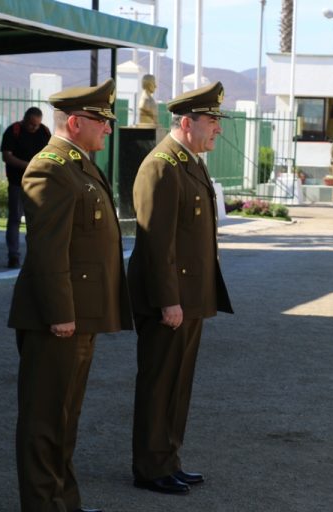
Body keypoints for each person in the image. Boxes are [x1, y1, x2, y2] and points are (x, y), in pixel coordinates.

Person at [8, 78, 132, 512]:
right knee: (45, 419)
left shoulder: (76, 163)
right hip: (57, 318)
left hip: (79, 316)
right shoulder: (51, 167)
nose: (109, 130)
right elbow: (48, 249)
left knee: (66, 416)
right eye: (103, 121)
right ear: (77, 122)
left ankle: (65, 502)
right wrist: (62, 313)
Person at [128, 81, 234, 495]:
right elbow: (157, 243)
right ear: (188, 122)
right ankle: (150, 467)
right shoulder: (161, 165)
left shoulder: (188, 161)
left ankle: (168, 458)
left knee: (178, 384)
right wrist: (169, 299)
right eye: (212, 121)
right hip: (168, 302)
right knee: (159, 383)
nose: (217, 130)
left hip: (190, 300)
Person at [0, 107, 51, 268]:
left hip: (38, 184)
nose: (34, 128)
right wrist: (29, 166)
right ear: (24, 120)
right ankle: (13, 255)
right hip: (17, 182)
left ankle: (35, 256)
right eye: (31, 125)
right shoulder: (13, 131)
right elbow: (6, 156)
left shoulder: (44, 132)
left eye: (36, 125)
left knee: (36, 220)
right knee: (15, 218)